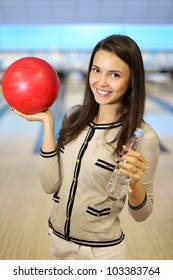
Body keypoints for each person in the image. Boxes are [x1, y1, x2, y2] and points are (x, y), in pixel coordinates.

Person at [13, 34, 159, 260]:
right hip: (57, 245)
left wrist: (134, 183)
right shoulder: (73, 117)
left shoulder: (143, 137)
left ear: (131, 80)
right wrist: (47, 125)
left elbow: (142, 214)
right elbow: (50, 185)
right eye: (96, 70)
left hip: (101, 255)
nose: (101, 82)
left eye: (115, 74)